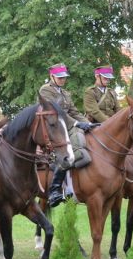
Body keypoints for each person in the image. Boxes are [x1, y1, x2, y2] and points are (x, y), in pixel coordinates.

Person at [39, 62, 95, 207]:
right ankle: (55, 189)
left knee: (87, 135)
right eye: (60, 77)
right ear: (51, 76)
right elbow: (56, 112)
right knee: (72, 144)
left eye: (64, 77)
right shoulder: (45, 90)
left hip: (65, 125)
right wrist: (76, 124)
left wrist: (88, 124)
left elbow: (74, 112)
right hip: (53, 127)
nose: (63, 80)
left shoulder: (65, 93)